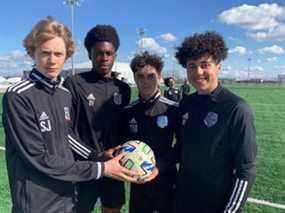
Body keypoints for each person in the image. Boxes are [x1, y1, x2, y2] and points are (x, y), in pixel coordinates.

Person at [2, 17, 137, 213]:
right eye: (45, 53)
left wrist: (97, 156)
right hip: (36, 203)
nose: (52, 60)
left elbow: (67, 137)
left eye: (58, 53)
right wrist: (102, 168)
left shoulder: (63, 94)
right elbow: (38, 157)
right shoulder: (18, 96)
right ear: (33, 53)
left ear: (67, 56)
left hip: (66, 195)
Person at [174, 31, 257, 212]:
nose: (198, 72)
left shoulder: (236, 108)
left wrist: (230, 210)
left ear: (218, 66)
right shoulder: (186, 103)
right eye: (191, 66)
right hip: (182, 200)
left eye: (205, 65)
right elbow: (182, 147)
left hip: (216, 204)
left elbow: (246, 169)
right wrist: (156, 165)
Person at [63, 25, 131, 213]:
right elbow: (65, 133)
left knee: (112, 208)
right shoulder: (75, 84)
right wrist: (95, 156)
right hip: (85, 167)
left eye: (109, 53)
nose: (105, 58)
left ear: (115, 55)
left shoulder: (123, 89)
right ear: (89, 54)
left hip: (115, 166)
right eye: (99, 53)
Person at [120, 51, 180, 213]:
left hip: (165, 180)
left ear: (159, 76)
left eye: (151, 76)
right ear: (134, 78)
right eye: (140, 76)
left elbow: (181, 147)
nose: (145, 81)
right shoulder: (128, 111)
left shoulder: (173, 109)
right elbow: (123, 143)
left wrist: (159, 167)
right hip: (139, 183)